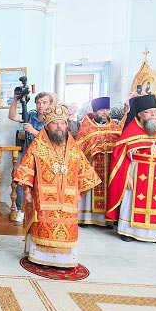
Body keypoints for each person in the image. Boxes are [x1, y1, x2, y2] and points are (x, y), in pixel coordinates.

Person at [14, 104, 101, 268]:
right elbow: (27, 168)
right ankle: (41, 257)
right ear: (47, 125)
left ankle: (63, 260)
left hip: (68, 198)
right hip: (42, 197)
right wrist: (27, 191)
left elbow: (85, 171)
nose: (59, 126)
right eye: (55, 123)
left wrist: (80, 192)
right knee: (42, 224)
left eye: (62, 123)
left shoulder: (73, 147)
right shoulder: (38, 145)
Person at [106, 94, 156, 242]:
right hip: (136, 171)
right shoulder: (131, 132)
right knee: (131, 201)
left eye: (154, 111)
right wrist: (126, 177)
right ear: (140, 114)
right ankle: (129, 232)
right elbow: (122, 158)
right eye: (148, 111)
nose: (153, 114)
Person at [76, 97, 123, 227]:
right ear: (95, 111)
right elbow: (79, 147)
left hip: (109, 164)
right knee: (90, 190)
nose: (105, 113)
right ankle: (85, 218)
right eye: (102, 110)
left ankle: (106, 219)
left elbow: (119, 144)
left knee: (109, 190)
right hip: (92, 164)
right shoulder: (87, 127)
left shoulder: (114, 126)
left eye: (107, 110)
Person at [8, 91, 53, 222]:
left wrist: (33, 131)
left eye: (44, 103)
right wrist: (15, 101)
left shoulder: (53, 118)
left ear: (50, 104)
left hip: (45, 156)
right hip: (28, 152)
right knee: (22, 180)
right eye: (38, 103)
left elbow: (52, 139)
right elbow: (12, 116)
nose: (41, 106)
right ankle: (22, 208)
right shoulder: (31, 115)